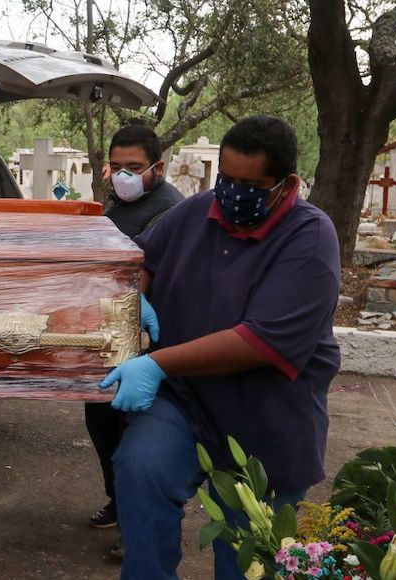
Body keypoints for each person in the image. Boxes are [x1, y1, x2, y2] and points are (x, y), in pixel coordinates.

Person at [99, 115, 341, 579]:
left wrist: (154, 364)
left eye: (249, 184)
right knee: (140, 471)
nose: (232, 192)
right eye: (226, 178)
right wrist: (136, 298)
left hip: (265, 417)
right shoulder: (197, 211)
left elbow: (258, 340)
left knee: (247, 556)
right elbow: (143, 260)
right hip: (185, 401)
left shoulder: (310, 238)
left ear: (285, 183)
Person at [86, 122, 183, 534]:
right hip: (107, 330)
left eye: (134, 166)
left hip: (147, 337)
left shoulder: (172, 209)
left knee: (137, 433)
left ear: (156, 167)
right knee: (101, 419)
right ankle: (118, 500)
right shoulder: (117, 205)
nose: (123, 175)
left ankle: (138, 521)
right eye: (117, 166)